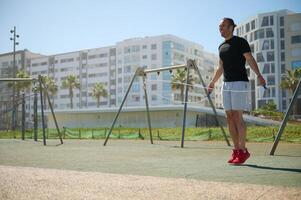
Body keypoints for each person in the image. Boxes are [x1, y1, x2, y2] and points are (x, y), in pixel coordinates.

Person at [208, 18, 266, 165]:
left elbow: (250, 58)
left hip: (240, 83)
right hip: (226, 84)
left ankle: (243, 150)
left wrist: (259, 75)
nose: (221, 29)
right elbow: (220, 67)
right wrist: (213, 82)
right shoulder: (221, 46)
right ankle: (236, 150)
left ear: (232, 27)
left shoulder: (240, 42)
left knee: (237, 116)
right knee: (229, 117)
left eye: (223, 26)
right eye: (219, 27)